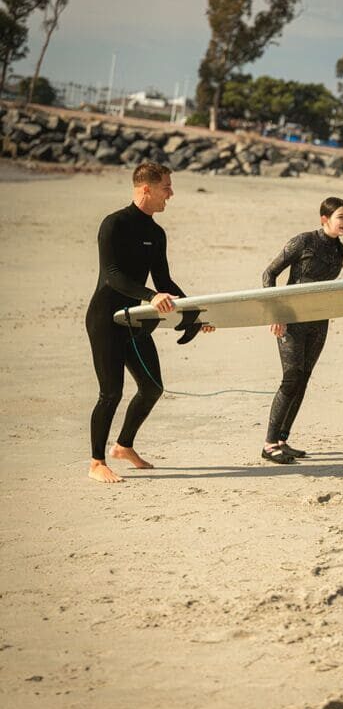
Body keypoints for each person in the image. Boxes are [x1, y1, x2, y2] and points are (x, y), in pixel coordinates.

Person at [86, 161, 214, 483]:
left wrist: (195, 317)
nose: (170, 194)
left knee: (152, 388)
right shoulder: (114, 224)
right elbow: (112, 276)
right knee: (111, 392)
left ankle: (123, 446)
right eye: (166, 187)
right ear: (147, 188)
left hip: (137, 320)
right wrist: (149, 296)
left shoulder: (156, 233)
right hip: (106, 318)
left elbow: (165, 281)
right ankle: (96, 462)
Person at [261, 197, 343, 464]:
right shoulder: (303, 241)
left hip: (319, 319)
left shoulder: (340, 250)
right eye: (341, 217)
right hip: (291, 318)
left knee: (304, 377)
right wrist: (275, 312)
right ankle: (268, 444)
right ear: (324, 219)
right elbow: (268, 274)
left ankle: (282, 440)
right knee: (290, 378)